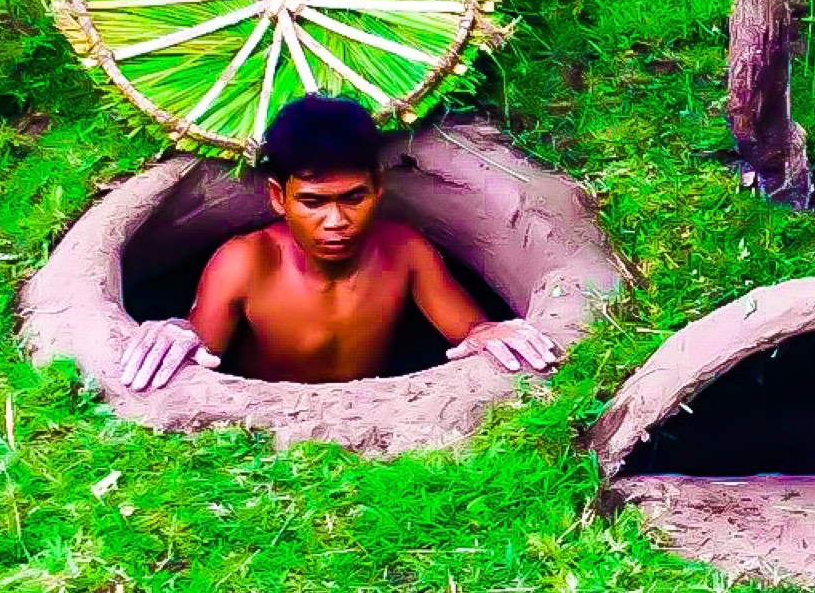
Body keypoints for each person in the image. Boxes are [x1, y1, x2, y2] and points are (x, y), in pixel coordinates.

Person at [118, 95, 557, 390]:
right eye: (312, 202)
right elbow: (201, 342)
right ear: (278, 197)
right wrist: (173, 331)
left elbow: (470, 332)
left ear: (377, 188)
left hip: (384, 417)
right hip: (268, 418)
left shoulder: (404, 251)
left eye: (354, 198)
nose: (336, 222)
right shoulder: (246, 261)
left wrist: (492, 332)